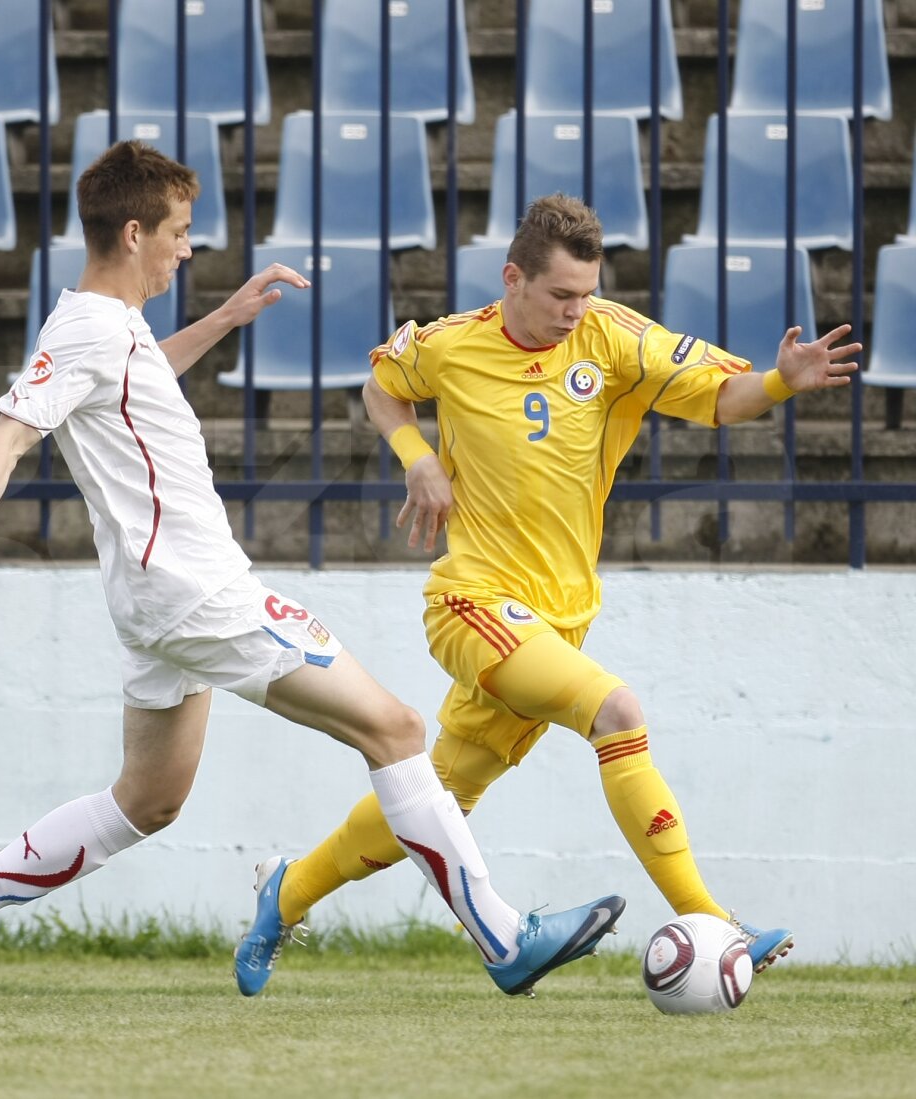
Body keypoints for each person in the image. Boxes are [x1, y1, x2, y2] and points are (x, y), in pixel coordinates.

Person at [0, 148, 625, 1013]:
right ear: (132, 232)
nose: (186, 251)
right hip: (201, 593)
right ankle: (503, 937)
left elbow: (137, 373)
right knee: (398, 726)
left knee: (147, 801)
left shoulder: (110, 330)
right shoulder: (84, 329)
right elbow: (11, 429)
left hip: (154, 603)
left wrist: (224, 320)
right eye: (179, 235)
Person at [236, 192, 861, 996]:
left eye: (587, 293)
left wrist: (779, 380)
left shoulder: (616, 338)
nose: (576, 310)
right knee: (619, 712)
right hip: (471, 602)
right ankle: (714, 921)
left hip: (558, 620)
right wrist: (414, 455)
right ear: (513, 279)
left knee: (434, 801)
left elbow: (720, 396)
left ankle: (281, 895)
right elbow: (381, 385)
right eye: (561, 294)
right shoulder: (450, 344)